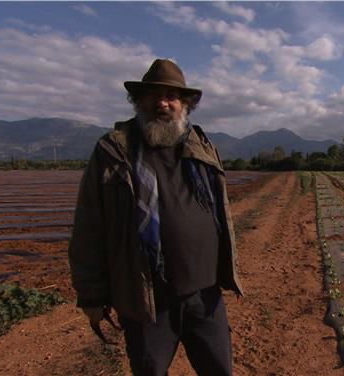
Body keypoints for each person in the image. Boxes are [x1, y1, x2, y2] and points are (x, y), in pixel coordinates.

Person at [68, 59, 243, 376]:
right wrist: (91, 294)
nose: (163, 103)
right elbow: (88, 227)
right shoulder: (113, 151)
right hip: (145, 301)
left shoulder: (203, 147)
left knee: (220, 370)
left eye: (172, 96)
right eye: (153, 95)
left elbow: (221, 212)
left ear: (185, 104)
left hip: (205, 295)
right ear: (138, 100)